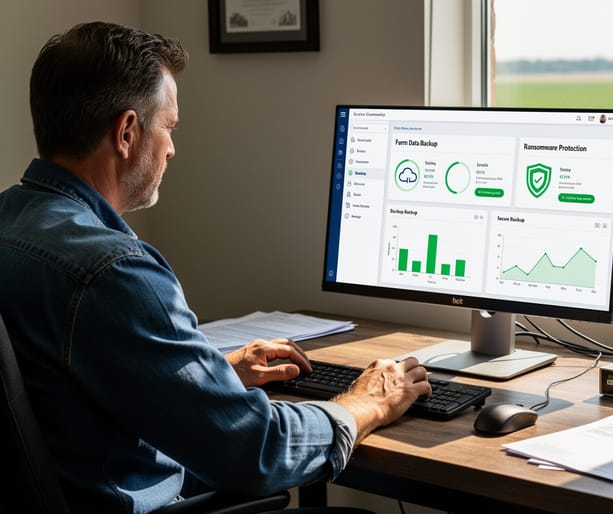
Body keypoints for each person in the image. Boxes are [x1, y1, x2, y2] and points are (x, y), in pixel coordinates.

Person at [0, 21, 431, 513]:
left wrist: (209, 376)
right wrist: (365, 403)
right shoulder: (113, 273)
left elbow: (61, 387)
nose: (171, 148)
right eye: (169, 127)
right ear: (126, 133)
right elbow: (258, 452)